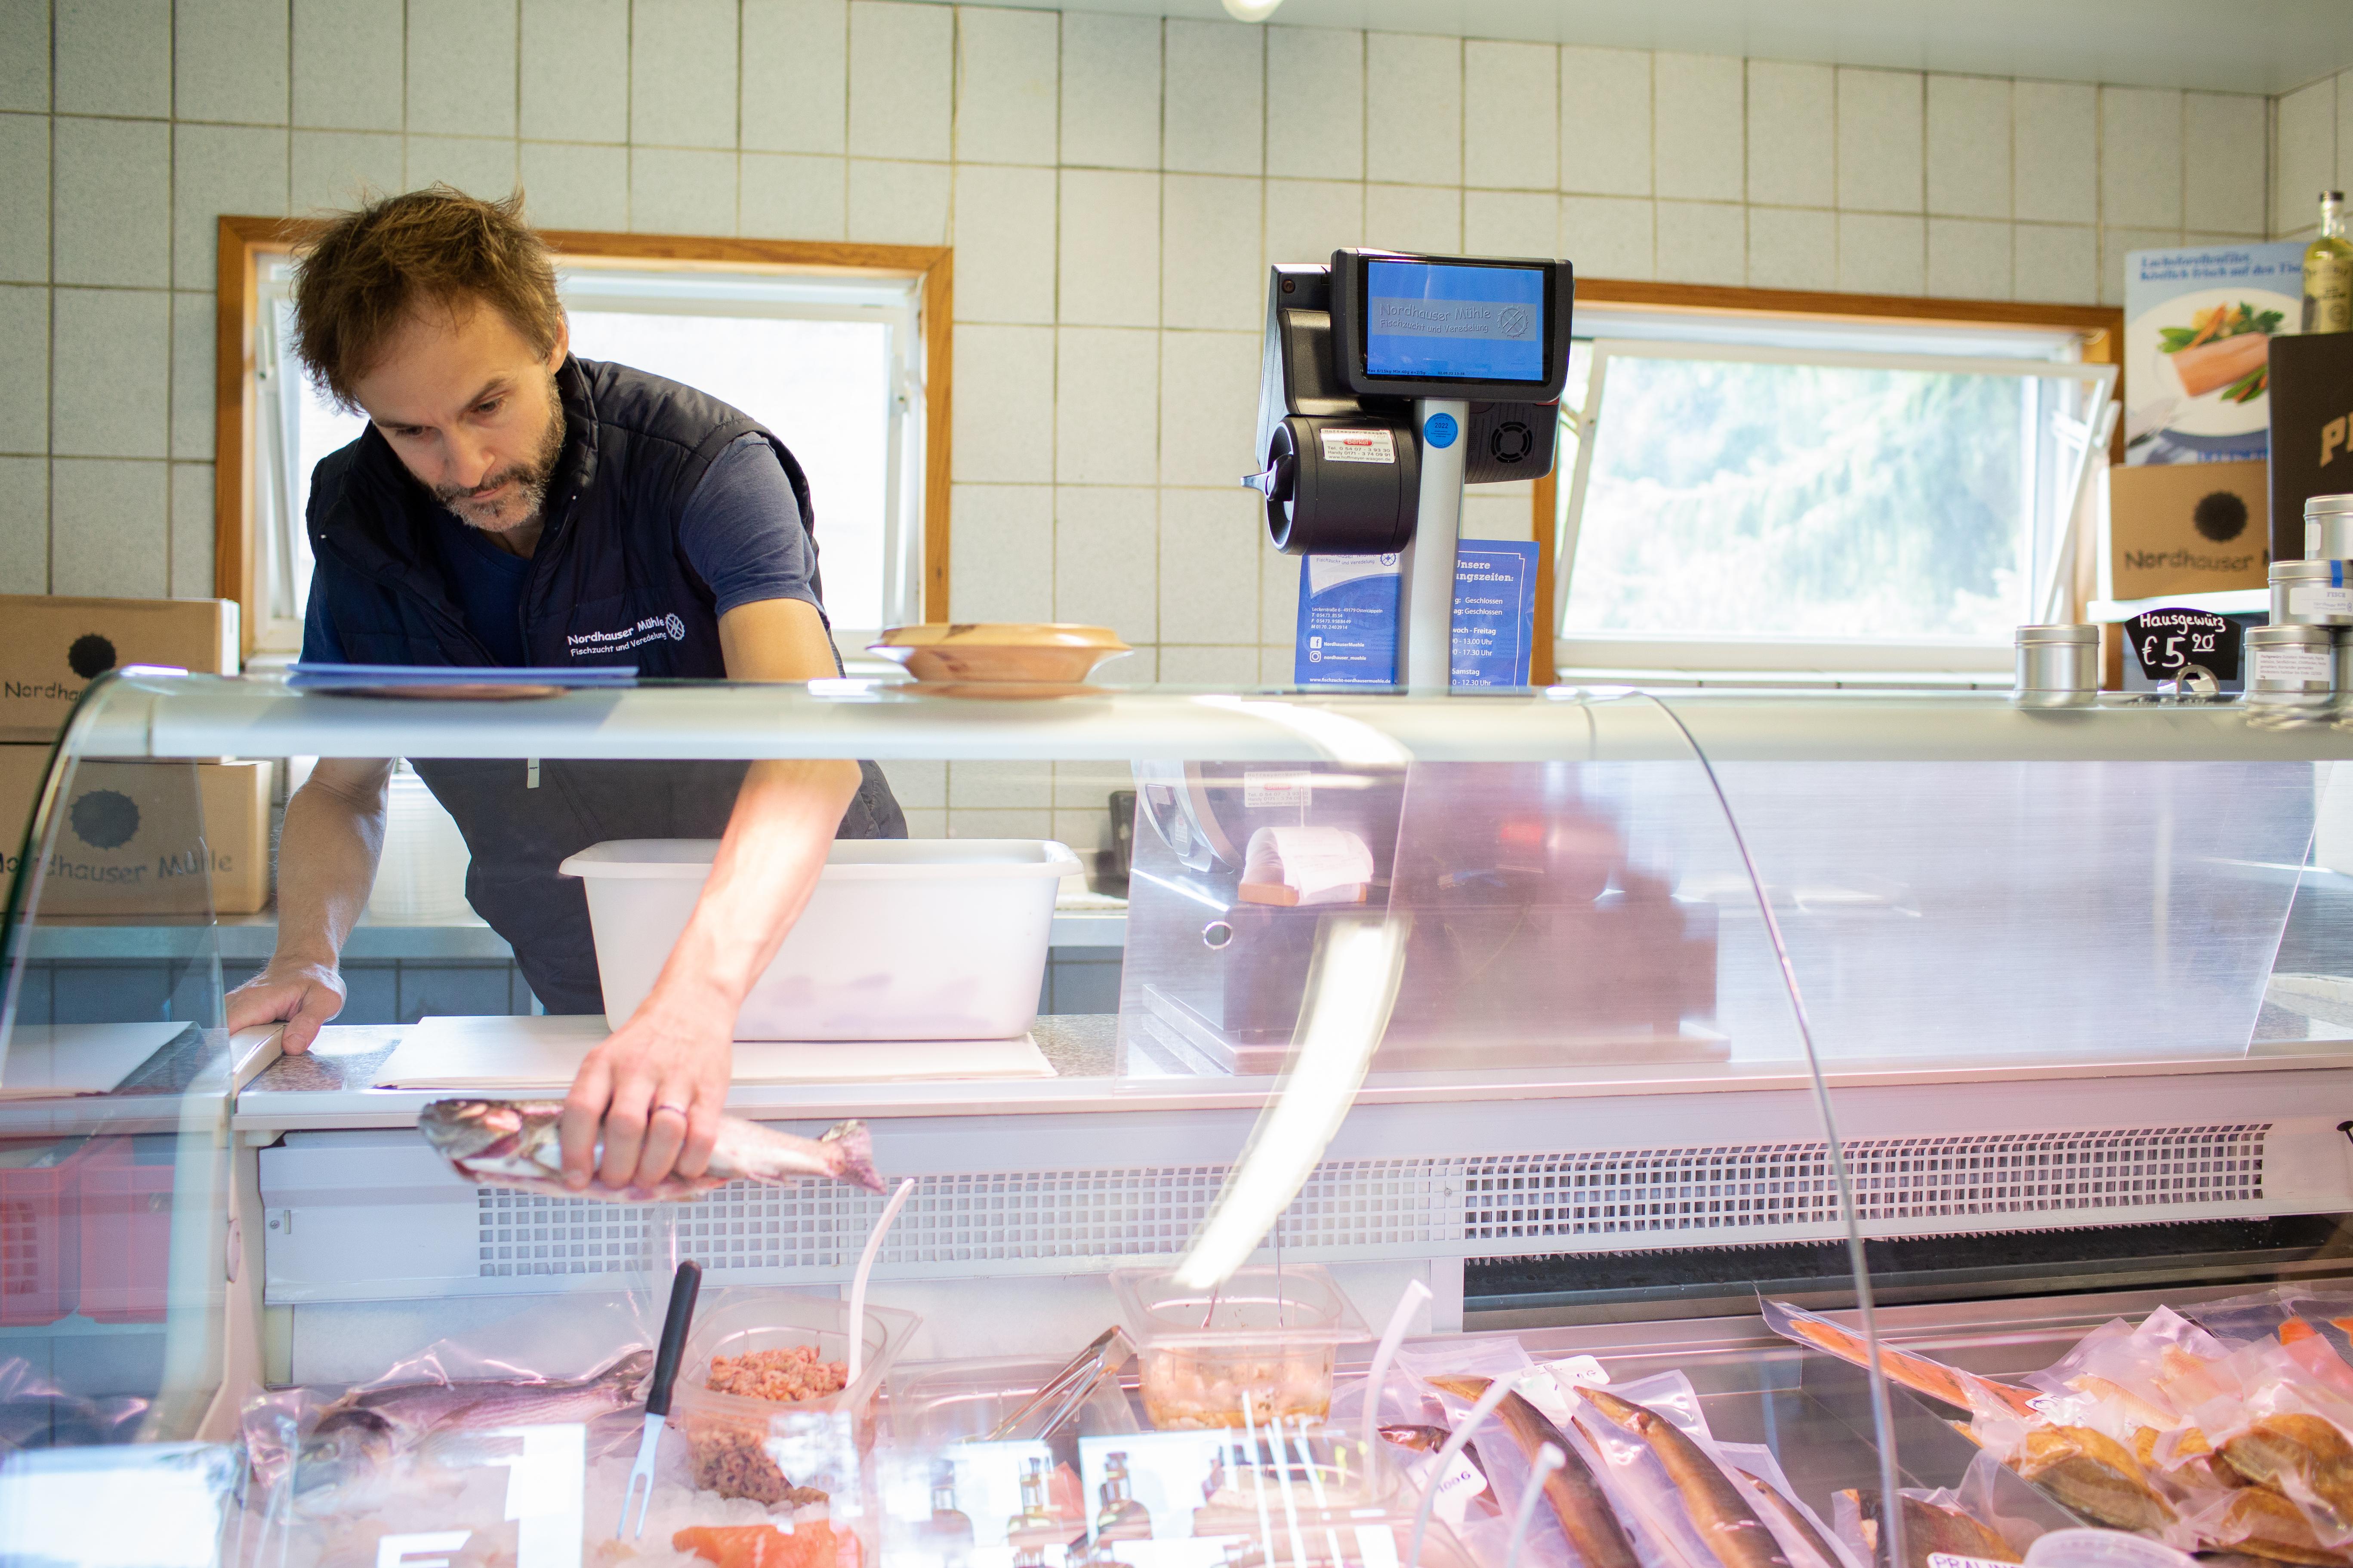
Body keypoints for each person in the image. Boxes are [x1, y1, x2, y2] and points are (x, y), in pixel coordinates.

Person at [225, 186, 904, 1196]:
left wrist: (694, 1005)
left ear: (551, 337)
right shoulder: (360, 517)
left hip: (823, 976)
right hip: (587, 988)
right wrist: (304, 952)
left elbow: (808, 747)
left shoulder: (704, 467)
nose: (464, 466)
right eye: (412, 431)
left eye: (486, 406)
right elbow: (344, 784)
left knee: (844, 1244)